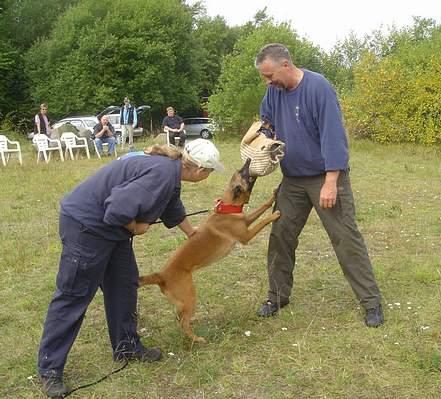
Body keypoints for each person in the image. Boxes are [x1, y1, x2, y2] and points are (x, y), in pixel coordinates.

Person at [37, 139, 224, 398]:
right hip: (86, 227)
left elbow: (171, 205)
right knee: (74, 295)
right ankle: (49, 369)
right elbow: (116, 209)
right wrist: (137, 227)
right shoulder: (162, 173)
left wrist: (192, 233)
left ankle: (126, 346)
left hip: (110, 231)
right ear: (200, 171)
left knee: (124, 285)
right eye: (210, 172)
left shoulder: (170, 170)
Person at [254, 43, 384, 328]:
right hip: (292, 180)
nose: (268, 81)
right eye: (265, 77)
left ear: (285, 65)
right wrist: (263, 137)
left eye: (270, 75)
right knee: (280, 236)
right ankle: (277, 296)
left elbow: (333, 137)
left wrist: (331, 182)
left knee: (345, 238)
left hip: (325, 177)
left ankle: (371, 302)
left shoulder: (318, 88)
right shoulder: (273, 92)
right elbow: (267, 121)